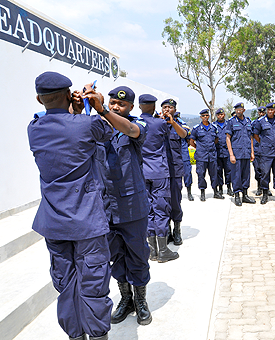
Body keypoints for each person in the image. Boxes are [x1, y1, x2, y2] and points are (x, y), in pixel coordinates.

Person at [28, 71, 122, 340]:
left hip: (53, 222)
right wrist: (92, 105)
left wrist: (72, 109)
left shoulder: (34, 128)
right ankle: (97, 335)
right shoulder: (84, 125)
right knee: (92, 283)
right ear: (69, 95)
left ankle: (75, 335)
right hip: (86, 221)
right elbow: (105, 131)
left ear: (38, 99)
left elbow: (65, 129)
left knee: (66, 283)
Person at [87, 87, 152, 326]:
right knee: (115, 256)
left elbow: (132, 130)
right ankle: (126, 299)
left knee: (138, 253)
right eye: (112, 103)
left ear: (131, 108)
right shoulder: (95, 126)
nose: (116, 106)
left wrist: (103, 109)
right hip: (105, 206)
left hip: (132, 206)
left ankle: (141, 300)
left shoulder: (136, 125)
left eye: (121, 105)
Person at [140, 96, 179, 263]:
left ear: (140, 107)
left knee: (148, 210)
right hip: (159, 172)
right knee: (161, 209)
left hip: (142, 172)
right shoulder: (161, 124)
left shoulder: (135, 123)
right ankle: (163, 250)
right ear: (155, 106)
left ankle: (152, 251)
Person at [160, 100, 188, 245]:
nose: (167, 109)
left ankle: (177, 231)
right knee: (163, 202)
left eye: (170, 107)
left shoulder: (179, 123)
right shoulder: (157, 122)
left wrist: (173, 123)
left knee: (176, 201)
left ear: (175, 110)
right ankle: (167, 231)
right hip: (160, 170)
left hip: (175, 169)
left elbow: (183, 135)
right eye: (165, 107)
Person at [252, 102, 275, 204]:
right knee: (265, 173)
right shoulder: (261, 121)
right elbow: (256, 135)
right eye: (268, 110)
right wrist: (263, 143)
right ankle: (265, 194)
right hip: (266, 153)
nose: (270, 111)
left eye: (272, 110)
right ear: (266, 110)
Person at [226, 102, 256, 206]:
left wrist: (252, 152)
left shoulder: (248, 121)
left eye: (240, 109)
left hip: (246, 153)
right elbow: (228, 138)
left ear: (243, 110)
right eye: (237, 109)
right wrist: (231, 154)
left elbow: (251, 137)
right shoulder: (231, 122)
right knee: (236, 175)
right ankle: (237, 196)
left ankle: (245, 195)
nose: (238, 111)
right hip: (236, 153)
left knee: (246, 175)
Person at [190, 109, 223, 201]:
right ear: (201, 117)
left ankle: (215, 192)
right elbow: (191, 141)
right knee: (201, 174)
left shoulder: (214, 127)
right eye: (203, 116)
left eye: (206, 115)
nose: (205, 117)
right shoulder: (196, 128)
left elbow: (216, 139)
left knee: (214, 174)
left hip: (212, 155)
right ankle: (202, 192)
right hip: (201, 156)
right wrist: (198, 148)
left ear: (208, 116)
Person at [213, 108, 233, 196]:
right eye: (218, 115)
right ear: (216, 116)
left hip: (227, 151)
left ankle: (229, 188)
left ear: (224, 115)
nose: (220, 116)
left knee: (229, 170)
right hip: (217, 152)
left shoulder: (229, 124)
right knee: (218, 171)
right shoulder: (213, 125)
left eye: (222, 114)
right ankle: (220, 188)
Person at [252, 106, 266, 195]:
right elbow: (252, 137)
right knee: (257, 171)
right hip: (257, 150)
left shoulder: (268, 122)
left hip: (266, 151)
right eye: (260, 112)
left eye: (263, 112)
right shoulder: (254, 123)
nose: (261, 114)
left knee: (266, 171)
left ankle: (266, 188)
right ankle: (259, 187)